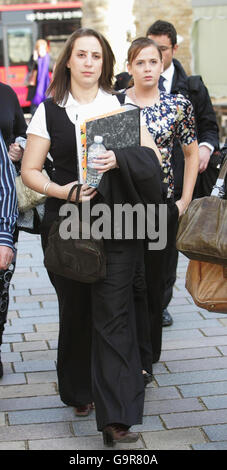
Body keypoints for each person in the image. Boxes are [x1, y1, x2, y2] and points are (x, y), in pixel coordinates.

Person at [21, 28, 163, 446]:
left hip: (117, 225)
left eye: (96, 56)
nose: (88, 62)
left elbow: (152, 159)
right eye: (81, 55)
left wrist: (120, 157)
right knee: (78, 311)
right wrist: (64, 191)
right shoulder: (48, 111)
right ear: (68, 61)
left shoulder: (120, 107)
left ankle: (116, 417)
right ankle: (79, 389)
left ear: (105, 64)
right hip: (67, 227)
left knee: (114, 316)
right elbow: (30, 170)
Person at [121, 37, 199, 363]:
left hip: (161, 207)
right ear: (129, 67)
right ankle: (124, 353)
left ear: (162, 64)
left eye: (153, 61)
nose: (147, 68)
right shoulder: (114, 104)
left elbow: (192, 154)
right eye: (140, 62)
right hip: (122, 208)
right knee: (124, 283)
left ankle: (147, 358)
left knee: (154, 286)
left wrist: (183, 202)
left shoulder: (177, 105)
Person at [146, 20, 219, 326]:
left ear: (174, 49)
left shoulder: (192, 87)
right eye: (151, 48)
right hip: (144, 184)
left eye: (162, 49)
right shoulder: (131, 83)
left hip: (179, 182)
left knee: (167, 251)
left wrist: (204, 148)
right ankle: (145, 301)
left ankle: (160, 304)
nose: (157, 56)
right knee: (147, 245)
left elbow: (209, 128)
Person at [0, 82, 27, 378]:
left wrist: (19, 147)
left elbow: (22, 129)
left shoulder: (6, 94)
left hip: (3, 203)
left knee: (0, 286)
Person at [27, 39, 53, 116]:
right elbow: (29, 69)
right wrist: (35, 60)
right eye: (39, 48)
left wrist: (45, 57)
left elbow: (52, 68)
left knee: (48, 113)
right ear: (37, 49)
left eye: (43, 48)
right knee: (34, 113)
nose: (41, 50)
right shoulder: (33, 58)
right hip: (35, 92)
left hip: (47, 90)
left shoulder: (49, 58)